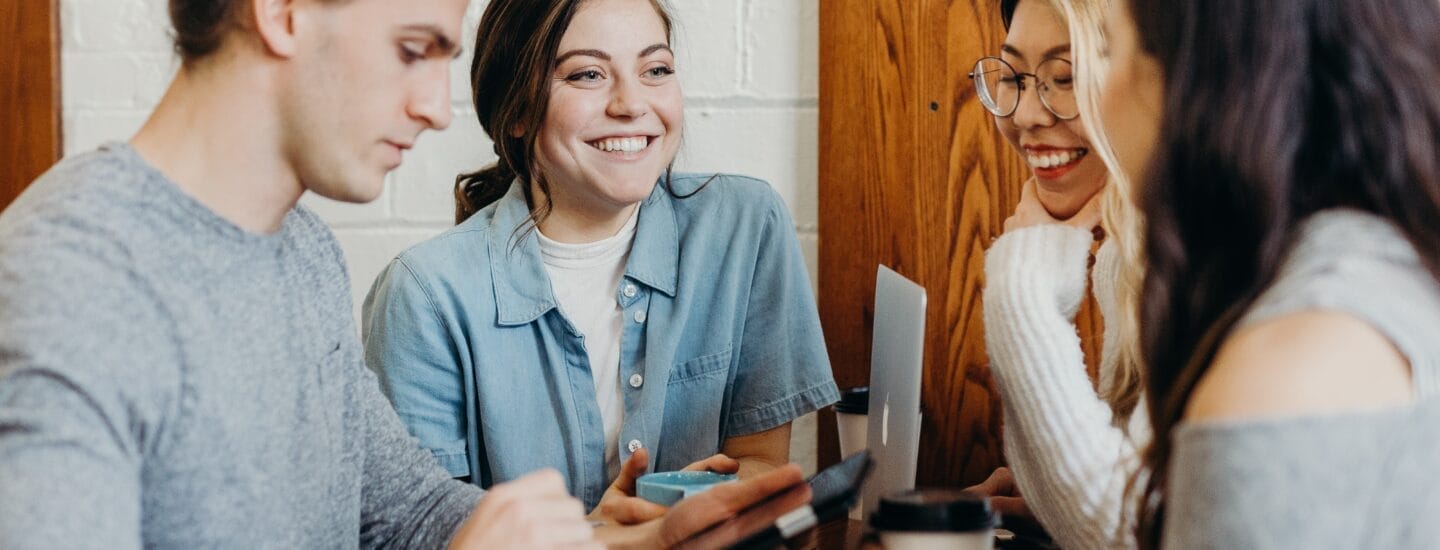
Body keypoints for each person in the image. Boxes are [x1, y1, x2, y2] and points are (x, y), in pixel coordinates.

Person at [0, 0, 810, 547]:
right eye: (412, 49)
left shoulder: (300, 252)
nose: (435, 107)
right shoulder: (68, 285)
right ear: (281, 11)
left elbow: (412, 513)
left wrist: (600, 539)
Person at [361, 0, 839, 522]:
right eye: (588, 74)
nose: (631, 104)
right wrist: (601, 537)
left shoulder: (745, 227)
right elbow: (421, 527)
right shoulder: (424, 294)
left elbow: (760, 464)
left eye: (655, 70)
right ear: (516, 110)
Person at [1099, 0, 1440, 547]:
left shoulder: (1285, 373)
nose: (1101, 96)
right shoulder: (1390, 268)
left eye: (1106, 47)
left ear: (1194, 75)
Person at [965, 0, 1148, 547]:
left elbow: (1131, 535)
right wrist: (1051, 492)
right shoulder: (1130, 253)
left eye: (1064, 77)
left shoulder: (1220, 247)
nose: (1023, 116)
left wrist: (1024, 298)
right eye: (1015, 76)